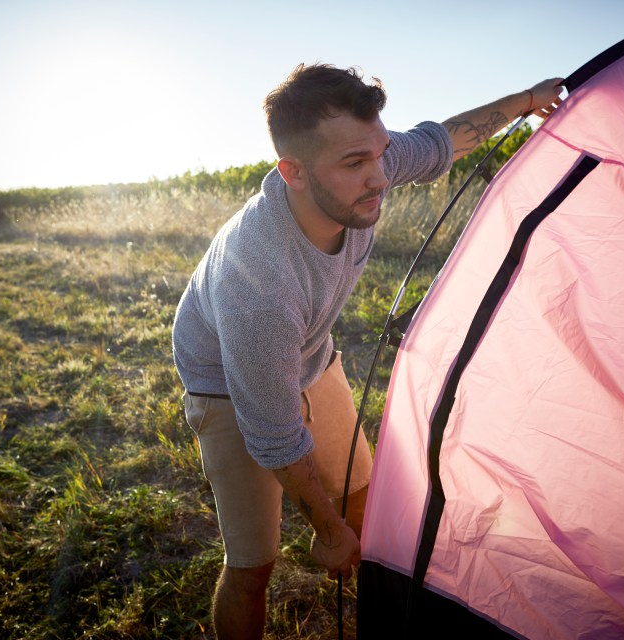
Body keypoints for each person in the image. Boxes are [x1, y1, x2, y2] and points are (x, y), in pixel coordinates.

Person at [172, 63, 563, 639]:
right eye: (356, 164)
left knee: (366, 510)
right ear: (294, 172)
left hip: (311, 357)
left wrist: (527, 99)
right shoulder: (258, 281)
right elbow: (274, 434)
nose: (378, 177)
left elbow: (443, 139)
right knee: (254, 567)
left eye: (379, 153)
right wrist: (325, 532)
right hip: (230, 390)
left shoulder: (364, 162)